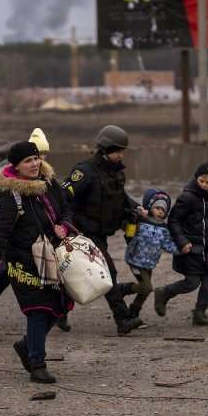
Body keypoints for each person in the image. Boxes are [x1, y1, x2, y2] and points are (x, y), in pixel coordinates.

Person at [0, 141, 71, 384]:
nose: (34, 164)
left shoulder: (49, 183)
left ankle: (26, 345)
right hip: (23, 262)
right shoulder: (12, 195)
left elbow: (65, 210)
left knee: (60, 305)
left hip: (52, 256)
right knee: (38, 309)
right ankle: (37, 363)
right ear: (16, 166)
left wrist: (63, 225)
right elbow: (0, 233)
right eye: (27, 161)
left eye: (35, 159)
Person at [62, 125, 146, 335]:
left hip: (100, 232)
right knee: (107, 272)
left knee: (81, 275)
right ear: (106, 149)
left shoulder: (115, 173)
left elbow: (121, 197)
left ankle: (58, 311)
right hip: (83, 234)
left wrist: (136, 207)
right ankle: (123, 319)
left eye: (122, 151)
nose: (121, 155)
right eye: (118, 151)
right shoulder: (85, 171)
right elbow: (64, 195)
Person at [154, 162, 208, 326]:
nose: (204, 184)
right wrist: (182, 242)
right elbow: (174, 220)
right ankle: (164, 292)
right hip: (191, 249)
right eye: (201, 180)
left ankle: (200, 313)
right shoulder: (187, 197)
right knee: (191, 283)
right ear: (196, 179)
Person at [121, 189, 177, 325]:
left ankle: (132, 313)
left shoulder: (164, 228)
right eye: (157, 208)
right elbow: (127, 230)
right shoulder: (140, 221)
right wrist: (133, 219)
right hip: (135, 261)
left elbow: (168, 245)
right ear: (150, 207)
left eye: (163, 210)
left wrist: (184, 249)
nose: (160, 212)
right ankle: (121, 289)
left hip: (149, 264)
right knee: (147, 287)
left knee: (145, 291)